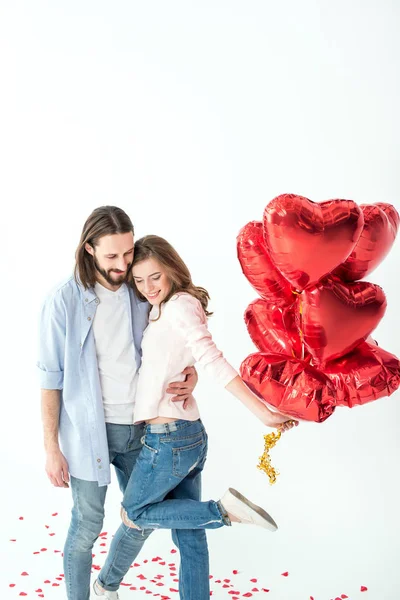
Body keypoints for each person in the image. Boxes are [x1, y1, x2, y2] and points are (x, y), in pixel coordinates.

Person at [94, 235, 297, 600]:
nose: (147, 287)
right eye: (138, 281)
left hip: (168, 440)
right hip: (184, 435)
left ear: (172, 268)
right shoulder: (162, 308)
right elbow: (177, 358)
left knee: (135, 513)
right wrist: (191, 374)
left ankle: (222, 511)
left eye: (154, 276)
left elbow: (211, 357)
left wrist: (262, 412)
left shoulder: (179, 306)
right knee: (190, 537)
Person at [38, 207, 200, 600]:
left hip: (142, 429)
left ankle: (106, 586)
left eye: (128, 253)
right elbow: (50, 379)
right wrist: (51, 448)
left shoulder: (138, 288)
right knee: (87, 525)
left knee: (139, 517)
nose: (123, 264)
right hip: (87, 435)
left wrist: (191, 369)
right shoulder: (63, 301)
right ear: (90, 249)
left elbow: (172, 336)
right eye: (112, 256)